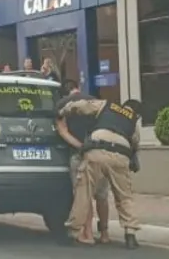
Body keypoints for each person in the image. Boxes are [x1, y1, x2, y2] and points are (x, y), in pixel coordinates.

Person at [58, 97, 142, 249]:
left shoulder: (108, 105)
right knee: (124, 196)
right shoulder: (133, 120)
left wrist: (65, 109)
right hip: (120, 154)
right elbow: (135, 143)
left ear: (123, 105)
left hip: (97, 149)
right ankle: (130, 234)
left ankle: (73, 232)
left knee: (83, 191)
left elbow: (83, 106)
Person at [54, 81, 111, 244]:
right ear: (78, 88)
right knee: (101, 195)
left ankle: (88, 234)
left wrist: (80, 146)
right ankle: (105, 234)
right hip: (100, 151)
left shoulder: (62, 104)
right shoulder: (94, 100)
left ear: (64, 93)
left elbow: (62, 131)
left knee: (84, 194)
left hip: (79, 154)